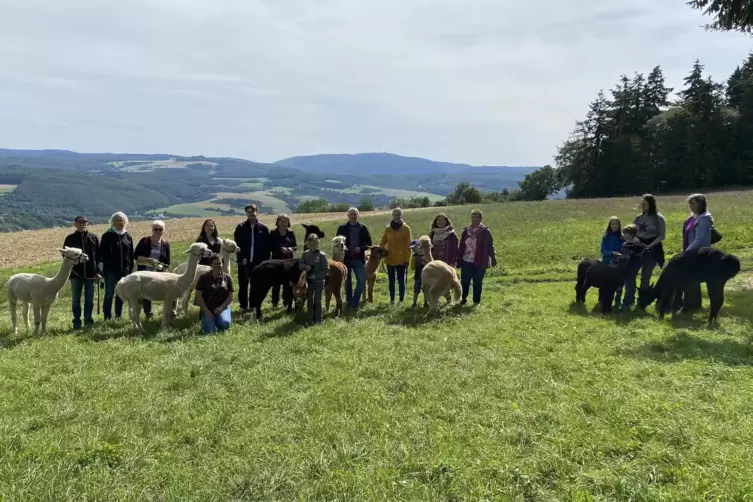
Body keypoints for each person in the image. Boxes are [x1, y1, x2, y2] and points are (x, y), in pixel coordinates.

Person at [623, 194, 666, 311]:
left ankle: (642, 301)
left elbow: (662, 236)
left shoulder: (658, 218)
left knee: (645, 276)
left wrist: (649, 246)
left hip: (652, 248)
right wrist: (634, 240)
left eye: (644, 204)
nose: (642, 206)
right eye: (641, 203)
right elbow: (632, 231)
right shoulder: (638, 218)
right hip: (637, 248)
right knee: (631, 273)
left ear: (651, 204)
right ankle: (628, 299)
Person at [674, 193, 714, 313]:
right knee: (689, 279)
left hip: (698, 252)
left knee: (691, 279)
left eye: (693, 203)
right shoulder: (692, 218)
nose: (690, 206)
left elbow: (700, 238)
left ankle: (691, 305)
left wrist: (687, 252)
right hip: (690, 251)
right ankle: (690, 304)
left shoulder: (704, 218)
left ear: (701, 204)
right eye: (689, 203)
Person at [63, 215, 101, 329]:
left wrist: (99, 272)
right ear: (75, 224)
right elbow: (65, 256)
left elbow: (99, 257)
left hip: (91, 274)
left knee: (89, 300)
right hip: (75, 274)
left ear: (87, 223)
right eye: (80, 222)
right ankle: (76, 321)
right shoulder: (69, 239)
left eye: (84, 222)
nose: (82, 224)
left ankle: (88, 320)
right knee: (76, 300)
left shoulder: (94, 238)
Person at [234, 204, 271, 312]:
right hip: (244, 262)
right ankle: (243, 305)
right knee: (243, 284)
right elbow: (237, 245)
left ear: (257, 212)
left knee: (255, 284)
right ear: (246, 214)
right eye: (248, 212)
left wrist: (265, 261)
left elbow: (266, 247)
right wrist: (242, 257)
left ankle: (253, 304)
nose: (251, 214)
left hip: (258, 262)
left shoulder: (263, 229)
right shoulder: (240, 227)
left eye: (253, 211)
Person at [457, 209, 497, 305]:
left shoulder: (485, 231)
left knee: (477, 282)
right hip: (466, 260)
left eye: (477, 217)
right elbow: (461, 245)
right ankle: (463, 298)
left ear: (481, 218)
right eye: (473, 217)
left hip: (481, 260)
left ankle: (476, 301)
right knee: (465, 281)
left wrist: (493, 258)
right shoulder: (466, 231)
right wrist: (458, 258)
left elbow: (490, 246)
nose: (474, 219)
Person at [336, 207, 373, 311]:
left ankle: (355, 302)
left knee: (361, 281)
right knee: (347, 282)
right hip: (346, 258)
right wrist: (345, 249)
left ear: (358, 215)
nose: (353, 216)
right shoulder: (342, 228)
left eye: (355, 214)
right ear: (348, 216)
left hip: (359, 258)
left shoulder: (363, 228)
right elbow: (337, 243)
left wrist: (360, 248)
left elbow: (369, 243)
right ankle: (349, 302)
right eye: (351, 214)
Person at [99, 211, 134, 321]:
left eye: (122, 220)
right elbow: (101, 254)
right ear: (113, 222)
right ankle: (107, 316)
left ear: (125, 222)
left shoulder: (128, 236)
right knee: (109, 294)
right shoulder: (107, 236)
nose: (120, 222)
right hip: (110, 271)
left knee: (121, 294)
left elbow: (131, 254)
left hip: (124, 271)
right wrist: (102, 270)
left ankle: (118, 315)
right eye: (117, 220)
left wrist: (130, 269)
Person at [134, 220, 171, 319]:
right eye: (156, 229)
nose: (158, 231)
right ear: (152, 229)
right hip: (145, 270)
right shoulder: (144, 240)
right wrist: (148, 259)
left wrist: (166, 273)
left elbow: (167, 261)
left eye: (160, 229)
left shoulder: (165, 243)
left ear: (163, 230)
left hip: (159, 270)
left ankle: (167, 313)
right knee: (147, 291)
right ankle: (148, 313)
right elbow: (136, 256)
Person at [379, 207, 412, 305]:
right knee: (391, 281)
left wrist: (407, 260)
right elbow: (382, 242)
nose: (397, 216)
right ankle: (392, 300)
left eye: (399, 215)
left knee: (401, 281)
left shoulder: (406, 228)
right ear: (392, 215)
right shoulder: (388, 228)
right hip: (390, 258)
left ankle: (401, 300)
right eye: (395, 215)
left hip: (402, 259)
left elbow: (408, 245)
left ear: (401, 215)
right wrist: (381, 251)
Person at [195, 253, 234, 334]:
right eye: (215, 263)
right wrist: (206, 311)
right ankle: (211, 320)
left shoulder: (227, 278)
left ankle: (220, 318)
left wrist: (221, 308)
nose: (217, 265)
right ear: (211, 265)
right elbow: (198, 296)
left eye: (219, 263)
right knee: (211, 331)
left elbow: (230, 296)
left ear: (222, 264)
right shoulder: (203, 278)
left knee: (224, 323)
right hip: (207, 308)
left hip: (222, 307)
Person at [299, 234, 330, 324]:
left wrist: (317, 276)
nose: (313, 245)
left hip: (319, 281)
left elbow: (326, 270)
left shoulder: (321, 255)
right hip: (309, 281)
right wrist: (306, 266)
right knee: (309, 300)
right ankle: (309, 319)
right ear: (308, 243)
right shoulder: (305, 254)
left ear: (317, 243)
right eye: (311, 243)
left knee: (317, 300)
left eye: (315, 243)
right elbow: (300, 264)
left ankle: (318, 320)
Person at [269, 213, 298, 308]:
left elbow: (295, 246)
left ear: (288, 222)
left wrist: (291, 249)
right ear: (278, 222)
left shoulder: (291, 233)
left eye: (286, 221)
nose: (284, 222)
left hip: (289, 261)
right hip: (276, 261)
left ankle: (287, 302)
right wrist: (280, 249)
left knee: (288, 282)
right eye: (282, 220)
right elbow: (270, 247)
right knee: (276, 282)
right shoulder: (273, 233)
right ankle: (274, 302)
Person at [601, 216, 624, 309]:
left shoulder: (622, 237)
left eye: (617, 224)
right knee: (605, 284)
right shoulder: (606, 236)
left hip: (619, 264)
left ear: (619, 225)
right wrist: (612, 253)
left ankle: (617, 301)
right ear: (609, 225)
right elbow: (603, 251)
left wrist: (621, 254)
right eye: (613, 224)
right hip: (607, 263)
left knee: (619, 285)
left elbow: (624, 249)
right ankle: (602, 300)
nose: (615, 225)